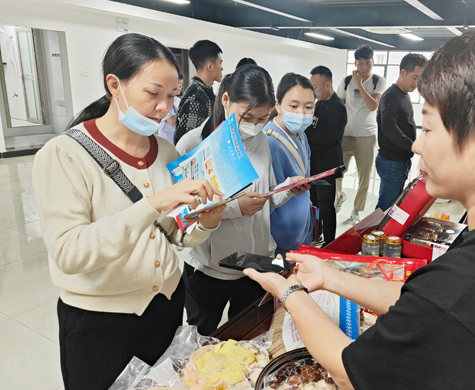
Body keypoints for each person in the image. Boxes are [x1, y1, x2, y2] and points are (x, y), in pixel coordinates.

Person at [244, 21, 475, 390]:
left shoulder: (473, 287)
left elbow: (350, 371)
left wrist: (289, 293)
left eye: (427, 129)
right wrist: (330, 277)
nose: (416, 146)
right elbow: (423, 300)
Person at [32, 33, 225, 390]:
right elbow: (69, 253)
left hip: (166, 308)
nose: (165, 107)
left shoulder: (165, 152)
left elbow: (173, 232)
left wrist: (204, 225)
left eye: (171, 96)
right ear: (114, 85)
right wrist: (151, 204)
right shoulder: (64, 155)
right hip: (101, 323)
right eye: (153, 94)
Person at [176, 65, 308, 335]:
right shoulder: (193, 144)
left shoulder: (260, 140)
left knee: (249, 337)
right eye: (248, 116)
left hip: (256, 262)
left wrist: (286, 189)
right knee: (202, 338)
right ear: (225, 100)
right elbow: (183, 215)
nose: (255, 126)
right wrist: (237, 208)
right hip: (211, 268)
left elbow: (265, 196)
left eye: (263, 118)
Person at [264, 73, 315, 257]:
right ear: (278, 105)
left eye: (308, 107)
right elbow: (265, 196)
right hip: (280, 237)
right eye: (294, 106)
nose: (301, 113)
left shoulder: (300, 134)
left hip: (301, 228)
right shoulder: (270, 141)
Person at [335, 45, 386, 224]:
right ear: (355, 63)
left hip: (367, 136)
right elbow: (339, 107)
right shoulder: (346, 81)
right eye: (360, 63)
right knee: (338, 173)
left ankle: (356, 210)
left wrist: (359, 85)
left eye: (368, 63)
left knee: (364, 177)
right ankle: (339, 196)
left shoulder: (378, 81)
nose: (364, 67)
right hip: (346, 135)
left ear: (373, 62)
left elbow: (373, 106)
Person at [375, 53, 426, 211]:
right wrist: (412, 146)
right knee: (385, 209)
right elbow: (389, 128)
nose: (417, 83)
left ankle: (380, 234)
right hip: (392, 162)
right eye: (415, 77)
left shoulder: (403, 95)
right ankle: (371, 235)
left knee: (392, 208)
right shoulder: (390, 96)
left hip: (399, 161)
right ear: (403, 72)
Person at [307, 65, 346, 246]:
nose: (313, 91)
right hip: (315, 164)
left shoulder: (338, 108)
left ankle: (330, 242)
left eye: (315, 87)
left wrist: (306, 132)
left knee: (325, 205)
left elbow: (329, 138)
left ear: (327, 85)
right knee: (314, 201)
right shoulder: (320, 103)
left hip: (326, 167)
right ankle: (317, 234)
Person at [174, 40, 223, 145]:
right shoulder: (196, 97)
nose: (222, 68)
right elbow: (189, 143)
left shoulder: (205, 93)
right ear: (210, 66)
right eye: (220, 63)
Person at [157, 73, 183, 143]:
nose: (180, 86)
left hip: (177, 140)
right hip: (167, 140)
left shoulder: (178, 100)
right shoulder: (166, 100)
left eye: (181, 84)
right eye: (178, 83)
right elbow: (171, 120)